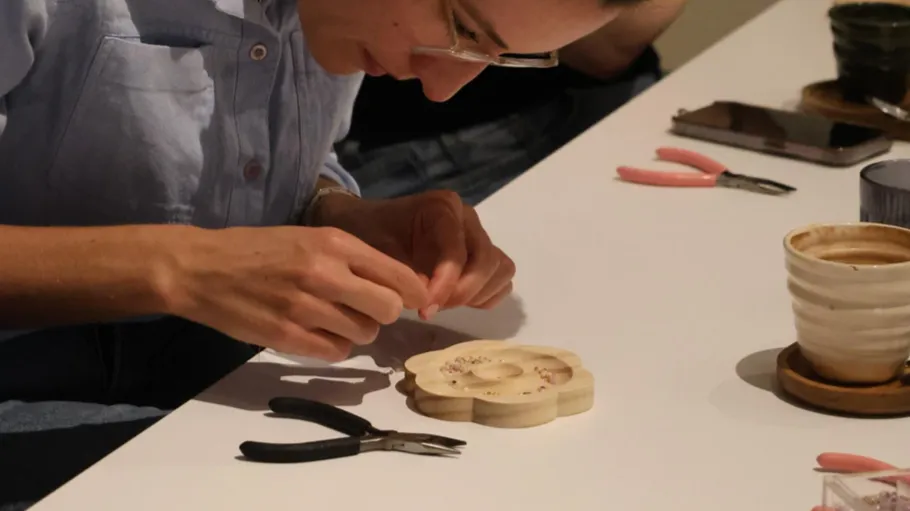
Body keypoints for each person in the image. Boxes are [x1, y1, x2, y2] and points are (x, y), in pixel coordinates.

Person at [0, 0, 645, 508]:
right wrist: (177, 267)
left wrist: (339, 215)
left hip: (210, 364)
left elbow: (274, 165)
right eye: (459, 27)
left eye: (498, 59)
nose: (445, 87)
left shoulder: (337, 16)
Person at [338, 0, 686, 205]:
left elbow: (608, 53)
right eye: (461, 27)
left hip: (597, 102)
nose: (442, 86)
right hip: (410, 140)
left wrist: (329, 203)